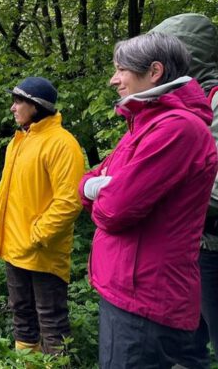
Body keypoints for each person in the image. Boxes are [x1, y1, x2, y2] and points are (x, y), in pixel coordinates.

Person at [79, 33, 218, 368]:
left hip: (143, 296)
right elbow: (89, 180)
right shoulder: (146, 122)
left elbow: (115, 209)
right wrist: (97, 186)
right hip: (130, 286)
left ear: (154, 71)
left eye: (121, 70)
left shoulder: (176, 128)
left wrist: (100, 189)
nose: (114, 79)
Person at [0, 76, 85, 355]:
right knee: (22, 316)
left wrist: (38, 235)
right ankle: (27, 363)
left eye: (18, 101)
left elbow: (69, 201)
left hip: (42, 251)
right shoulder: (18, 141)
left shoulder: (62, 144)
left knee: (51, 321)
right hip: (14, 246)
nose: (13, 107)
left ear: (35, 105)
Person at [149, 13, 218, 364]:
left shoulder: (214, 104)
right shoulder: (182, 104)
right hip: (194, 246)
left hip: (212, 247)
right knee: (183, 346)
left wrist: (152, 195)